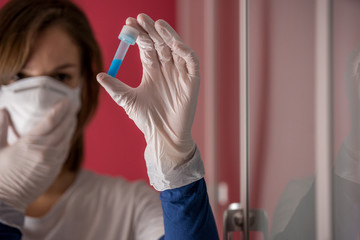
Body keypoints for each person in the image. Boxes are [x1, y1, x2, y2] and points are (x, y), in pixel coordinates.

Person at [0, 0, 219, 239]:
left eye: (61, 76)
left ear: (84, 89)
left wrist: (179, 171)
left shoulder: (130, 208)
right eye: (18, 75)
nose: (39, 98)